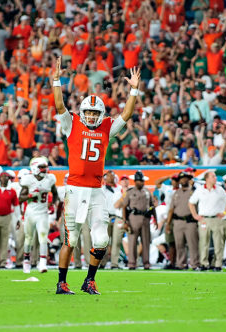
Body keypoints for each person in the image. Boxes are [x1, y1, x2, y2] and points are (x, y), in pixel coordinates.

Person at [53, 57, 140, 295]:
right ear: (82, 112)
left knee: (101, 240)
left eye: (95, 113)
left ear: (100, 114)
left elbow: (127, 113)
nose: (91, 117)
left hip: (95, 190)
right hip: (74, 189)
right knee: (70, 241)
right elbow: (60, 105)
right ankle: (61, 282)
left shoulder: (106, 127)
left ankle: (89, 280)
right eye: (88, 112)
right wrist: (56, 80)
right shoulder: (72, 124)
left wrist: (133, 89)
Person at [19, 157, 58, 273]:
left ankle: (42, 263)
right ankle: (26, 260)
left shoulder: (49, 179)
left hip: (42, 213)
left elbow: (55, 194)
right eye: (41, 167)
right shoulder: (28, 180)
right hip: (30, 213)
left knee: (43, 237)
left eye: (45, 167)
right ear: (35, 168)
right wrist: (30, 196)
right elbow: (20, 199)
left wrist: (52, 205)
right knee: (28, 239)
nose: (44, 169)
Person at [188, 171, 226, 271]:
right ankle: (204, 263)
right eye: (213, 177)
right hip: (204, 219)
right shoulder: (200, 190)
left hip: (216, 219)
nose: (215, 178)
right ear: (207, 179)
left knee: (219, 243)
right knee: (203, 242)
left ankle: (218, 264)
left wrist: (224, 212)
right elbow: (191, 203)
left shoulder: (220, 189)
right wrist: (195, 215)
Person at [166, 172, 199, 270]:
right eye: (181, 179)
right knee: (179, 244)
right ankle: (181, 264)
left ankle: (195, 264)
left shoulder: (194, 191)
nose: (183, 180)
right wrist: (168, 223)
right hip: (177, 221)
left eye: (185, 178)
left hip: (190, 221)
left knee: (193, 244)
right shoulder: (176, 193)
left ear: (189, 180)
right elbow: (171, 209)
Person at [123, 171, 155, 270]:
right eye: (139, 181)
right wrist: (125, 222)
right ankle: (132, 263)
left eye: (142, 181)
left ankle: (146, 263)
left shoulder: (147, 192)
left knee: (146, 242)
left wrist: (156, 220)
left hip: (145, 218)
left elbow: (152, 206)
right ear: (135, 181)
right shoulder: (130, 192)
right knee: (132, 241)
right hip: (133, 218)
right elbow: (124, 207)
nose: (141, 182)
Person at [100, 170, 125, 269]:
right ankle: (102, 262)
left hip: (117, 217)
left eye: (113, 175)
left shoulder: (120, 189)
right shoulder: (102, 189)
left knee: (116, 241)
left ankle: (114, 263)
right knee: (104, 241)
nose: (112, 177)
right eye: (109, 176)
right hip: (106, 216)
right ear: (105, 178)